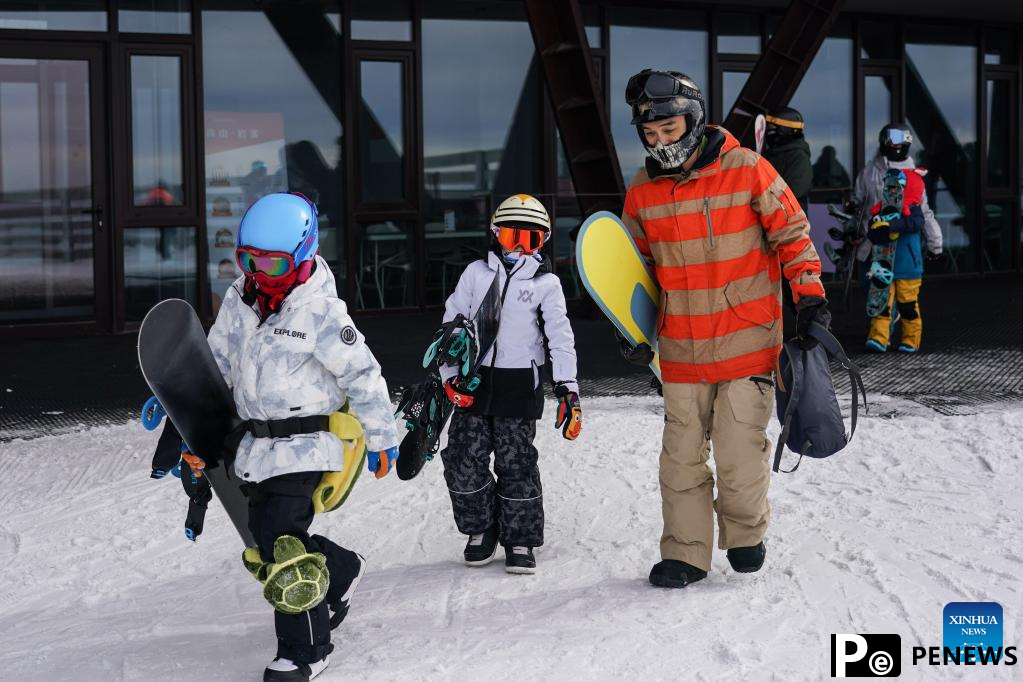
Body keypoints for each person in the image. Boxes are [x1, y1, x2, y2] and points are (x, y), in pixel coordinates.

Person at [618, 70, 829, 589]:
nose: (660, 141)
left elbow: (793, 234)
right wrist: (634, 331)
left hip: (748, 343)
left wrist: (810, 298)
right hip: (682, 350)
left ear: (692, 119)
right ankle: (686, 553)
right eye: (650, 134)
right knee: (680, 461)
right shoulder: (643, 192)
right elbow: (634, 272)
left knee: (739, 454)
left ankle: (745, 533)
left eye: (669, 129)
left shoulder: (748, 169)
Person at [195, 192, 400, 681]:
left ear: (303, 254)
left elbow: (363, 375)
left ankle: (306, 652)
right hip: (255, 446)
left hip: (308, 444)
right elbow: (217, 359)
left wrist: (381, 436)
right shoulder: (239, 299)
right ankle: (343, 569)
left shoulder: (323, 314)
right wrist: (181, 399)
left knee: (284, 546)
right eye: (248, 260)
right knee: (266, 538)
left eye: (272, 262)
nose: (258, 272)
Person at [438, 194, 581, 575]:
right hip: (475, 379)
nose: (518, 247)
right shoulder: (475, 274)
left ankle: (520, 536)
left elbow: (560, 337)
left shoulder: (545, 284)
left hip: (520, 383)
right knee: (463, 458)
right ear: (495, 234)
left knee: (515, 462)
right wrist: (450, 377)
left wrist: (567, 387)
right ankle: (481, 529)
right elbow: (451, 326)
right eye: (511, 236)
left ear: (543, 242)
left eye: (530, 240)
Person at [853, 124, 943, 352]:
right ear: (883, 142)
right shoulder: (871, 171)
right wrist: (854, 230)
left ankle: (900, 337)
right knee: (876, 295)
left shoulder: (914, 178)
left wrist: (935, 244)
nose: (896, 145)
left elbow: (923, 214)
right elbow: (860, 206)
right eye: (891, 140)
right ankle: (880, 336)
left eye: (901, 141)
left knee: (905, 300)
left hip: (905, 255)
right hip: (876, 246)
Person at [863, 167, 929, 352]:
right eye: (889, 187)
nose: (893, 191)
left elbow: (916, 223)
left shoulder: (913, 208)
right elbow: (872, 233)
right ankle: (878, 337)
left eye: (897, 187)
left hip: (908, 268)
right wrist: (878, 229)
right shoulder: (879, 210)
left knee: (908, 305)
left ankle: (911, 339)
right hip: (884, 266)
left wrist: (892, 225)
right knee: (882, 303)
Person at [762, 106, 812, 212]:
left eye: (771, 128)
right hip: (769, 220)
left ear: (784, 130)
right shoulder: (769, 155)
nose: (768, 132)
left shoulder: (799, 157)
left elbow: (794, 191)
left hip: (790, 222)